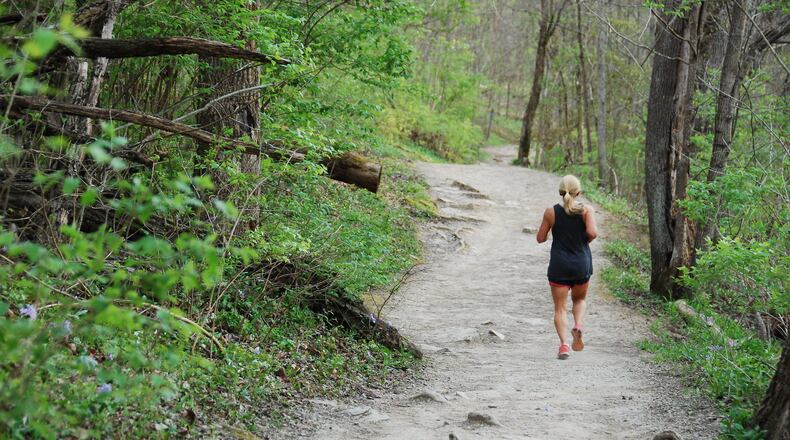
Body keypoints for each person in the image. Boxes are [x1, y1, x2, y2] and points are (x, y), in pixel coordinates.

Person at [536, 175, 597, 360]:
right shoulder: (587, 210)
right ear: (579, 192)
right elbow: (593, 233)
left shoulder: (551, 212)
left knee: (560, 309)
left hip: (559, 266)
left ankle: (564, 345)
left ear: (561, 192)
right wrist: (583, 241)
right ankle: (578, 325)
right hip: (581, 264)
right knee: (579, 301)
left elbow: (540, 238)